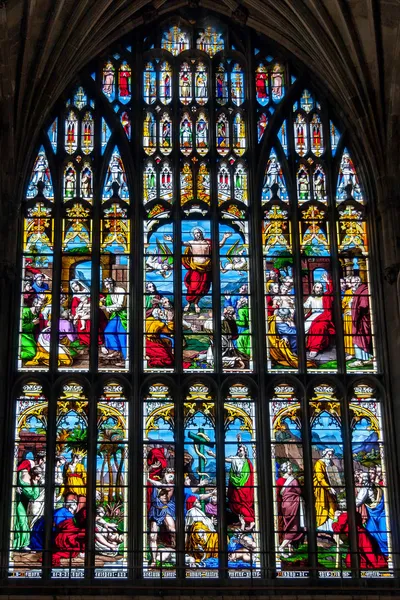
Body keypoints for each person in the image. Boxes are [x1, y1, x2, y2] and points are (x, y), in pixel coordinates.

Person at [165, 229, 231, 313]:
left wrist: (225, 238)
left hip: (206, 268)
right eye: (195, 233)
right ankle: (188, 303)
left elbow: (218, 246)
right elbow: (181, 243)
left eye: (199, 232)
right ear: (193, 235)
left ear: (202, 233)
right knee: (193, 287)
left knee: (203, 288)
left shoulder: (208, 243)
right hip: (195, 268)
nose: (197, 234)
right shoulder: (191, 242)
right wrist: (171, 240)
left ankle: (196, 303)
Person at [226, 435, 255, 531]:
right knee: (235, 504)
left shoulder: (247, 463)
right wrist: (213, 455)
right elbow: (230, 459)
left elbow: (250, 477)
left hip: (244, 488)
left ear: (245, 452)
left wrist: (240, 442)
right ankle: (241, 519)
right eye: (238, 450)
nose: (239, 451)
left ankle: (251, 521)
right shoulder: (236, 459)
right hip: (236, 486)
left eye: (241, 450)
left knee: (243, 505)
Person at [147, 469, 176, 567]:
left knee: (172, 530)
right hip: (155, 510)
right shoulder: (157, 483)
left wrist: (152, 481)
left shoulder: (170, 486)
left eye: (173, 476)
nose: (171, 478)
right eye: (170, 476)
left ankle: (175, 548)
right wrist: (147, 473)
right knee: (152, 536)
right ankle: (154, 560)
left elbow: (163, 486)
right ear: (165, 474)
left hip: (165, 509)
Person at [276, 462, 305, 556]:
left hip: (284, 505)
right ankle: (281, 547)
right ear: (287, 469)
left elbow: (277, 494)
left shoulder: (279, 481)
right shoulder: (293, 480)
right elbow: (299, 491)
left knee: (287, 525)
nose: (292, 469)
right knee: (294, 527)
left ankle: (288, 549)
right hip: (293, 505)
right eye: (290, 467)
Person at [304, 273, 335, 359]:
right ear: (314, 288)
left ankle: (314, 348)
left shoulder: (325, 296)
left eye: (321, 288)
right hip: (313, 315)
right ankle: (304, 346)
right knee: (304, 327)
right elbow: (305, 306)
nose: (319, 289)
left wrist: (327, 281)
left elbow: (331, 291)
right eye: (317, 287)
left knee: (318, 327)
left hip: (324, 316)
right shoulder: (311, 298)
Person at [13, 466, 43, 551]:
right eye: (38, 476)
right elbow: (34, 496)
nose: (38, 478)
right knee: (22, 522)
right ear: (33, 474)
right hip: (17, 503)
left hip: (20, 502)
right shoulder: (26, 481)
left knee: (20, 522)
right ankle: (22, 544)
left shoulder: (23, 472)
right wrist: (35, 483)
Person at [101, 277, 128, 360]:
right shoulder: (110, 292)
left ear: (113, 283)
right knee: (108, 331)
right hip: (115, 315)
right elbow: (111, 302)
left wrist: (106, 308)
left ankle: (126, 358)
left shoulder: (121, 290)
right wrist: (105, 301)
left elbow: (120, 305)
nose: (108, 286)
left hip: (124, 315)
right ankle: (117, 350)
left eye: (109, 283)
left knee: (122, 335)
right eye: (106, 284)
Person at [313, 448, 338, 531]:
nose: (330, 457)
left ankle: (331, 528)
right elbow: (320, 477)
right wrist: (329, 487)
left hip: (329, 490)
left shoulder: (330, 464)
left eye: (331, 455)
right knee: (322, 507)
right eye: (329, 455)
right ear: (325, 454)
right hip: (321, 490)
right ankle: (321, 528)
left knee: (332, 507)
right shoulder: (319, 463)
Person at [351, 276, 373, 366]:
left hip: (362, 320)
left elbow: (364, 305)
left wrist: (357, 312)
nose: (351, 285)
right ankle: (363, 359)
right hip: (359, 319)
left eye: (352, 283)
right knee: (359, 338)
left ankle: (360, 360)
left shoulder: (364, 291)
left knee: (360, 338)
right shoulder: (359, 291)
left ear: (357, 282)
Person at [20, 297, 43, 364]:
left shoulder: (37, 314)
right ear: (35, 303)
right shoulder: (25, 311)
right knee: (32, 353)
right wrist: (33, 323)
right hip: (23, 335)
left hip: (30, 336)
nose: (41, 306)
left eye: (42, 305)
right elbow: (21, 326)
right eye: (39, 304)